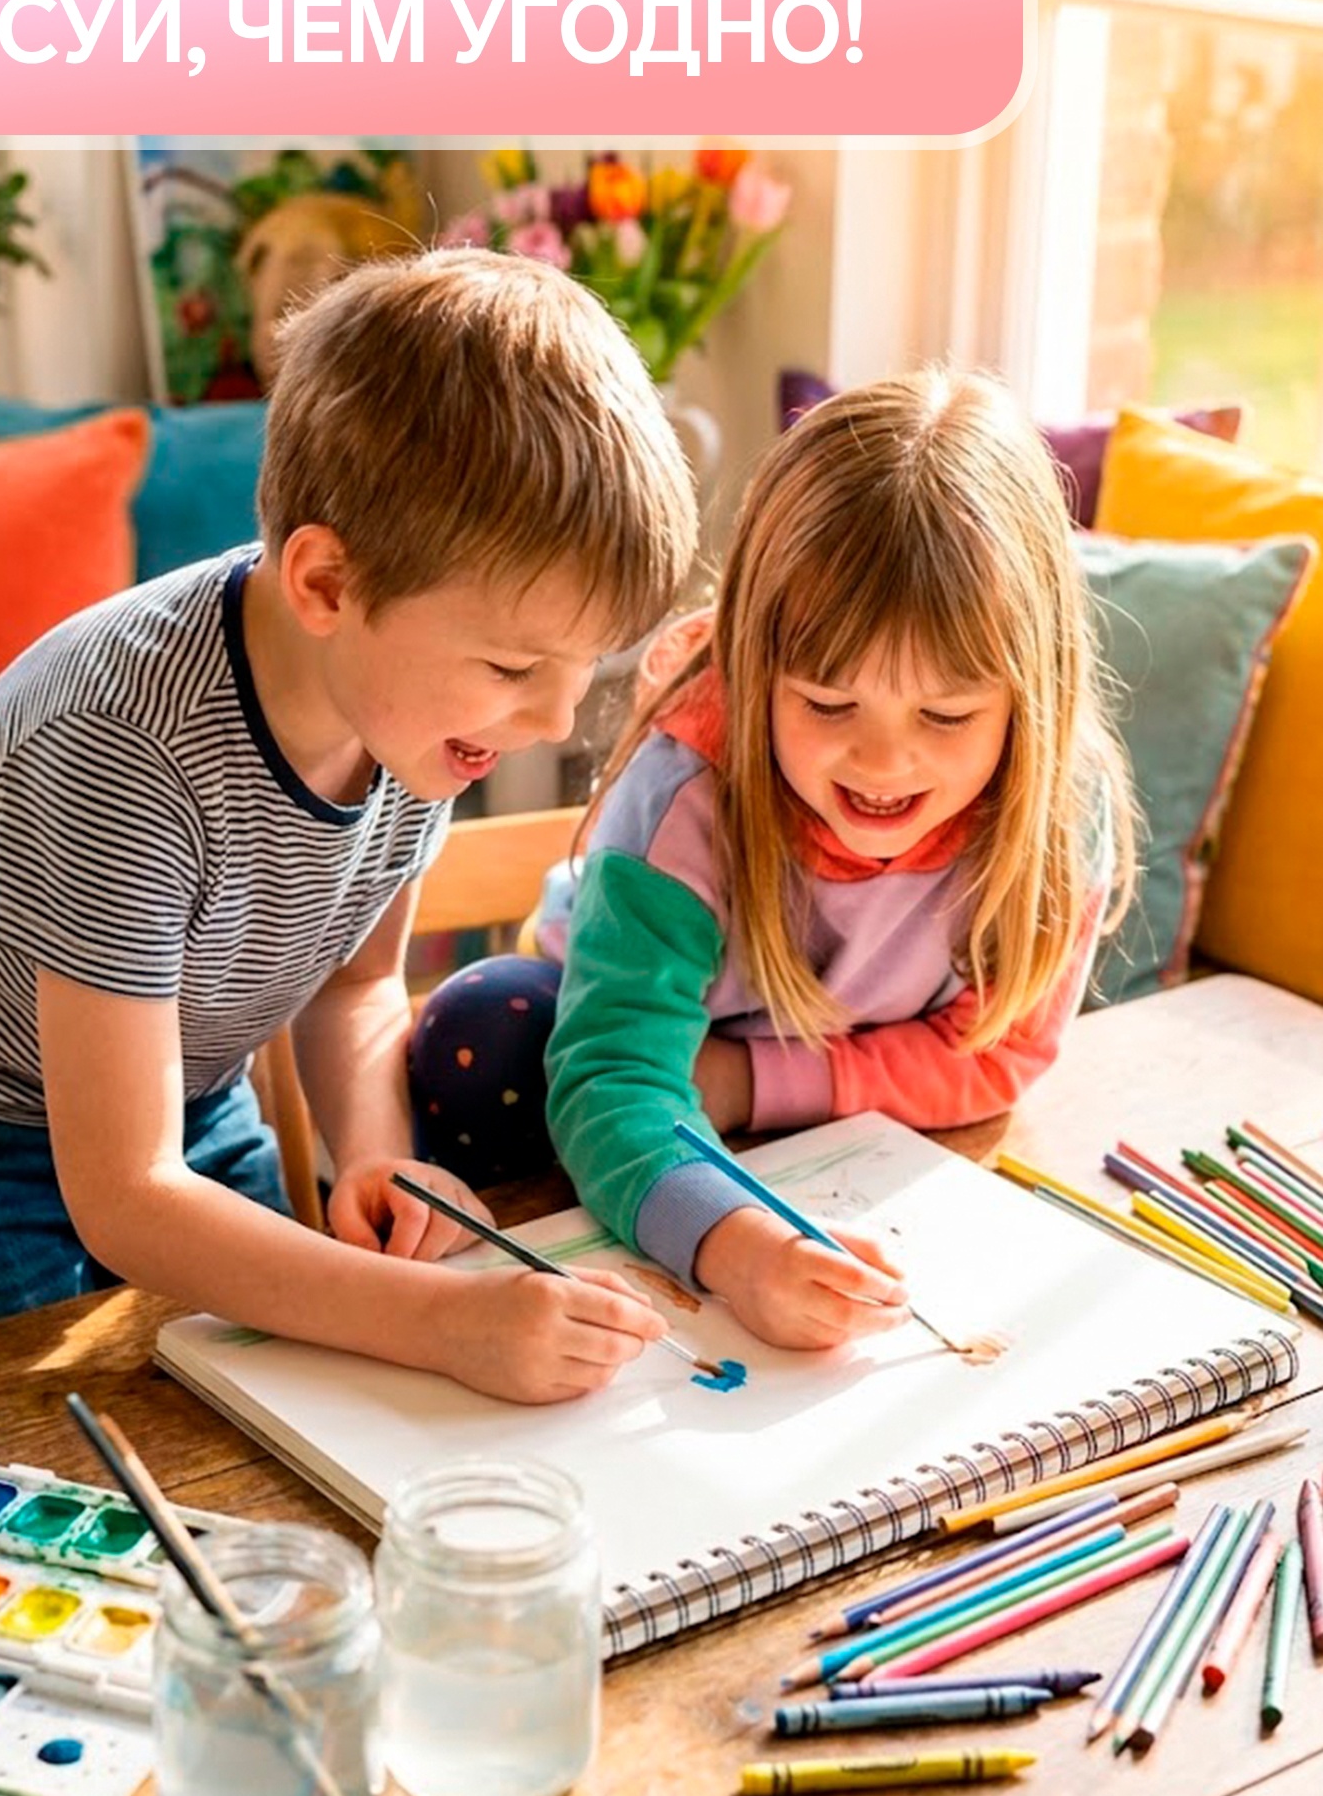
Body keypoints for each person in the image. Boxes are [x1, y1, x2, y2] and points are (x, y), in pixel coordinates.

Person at [0, 249, 697, 1407]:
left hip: (177, 1080)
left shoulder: (419, 711)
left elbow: (355, 985)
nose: (555, 718)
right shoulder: (121, 749)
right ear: (324, 586)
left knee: (254, 1389)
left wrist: (373, 1151)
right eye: (515, 667)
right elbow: (129, 1198)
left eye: (579, 670)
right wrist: (445, 1321)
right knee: (32, 1432)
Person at [412, 368, 1136, 1351]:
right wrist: (740, 1250)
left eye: (946, 714)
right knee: (485, 1033)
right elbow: (617, 1079)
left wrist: (746, 1083)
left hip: (758, 1082)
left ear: (1031, 697)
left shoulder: (1060, 804)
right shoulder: (688, 800)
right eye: (827, 705)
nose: (882, 762)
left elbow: (1000, 1055)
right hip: (628, 1043)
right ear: (754, 670)